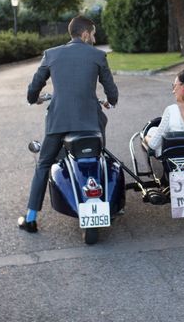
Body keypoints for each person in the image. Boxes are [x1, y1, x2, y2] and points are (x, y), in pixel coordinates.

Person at [18, 15, 118, 233]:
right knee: (100, 155)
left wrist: (34, 98)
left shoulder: (51, 54)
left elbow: (33, 88)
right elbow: (112, 93)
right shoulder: (98, 56)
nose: (94, 37)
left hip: (59, 122)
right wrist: (110, 102)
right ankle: (107, 200)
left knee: (43, 164)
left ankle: (31, 217)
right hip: (90, 122)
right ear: (84, 34)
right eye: (93, 34)